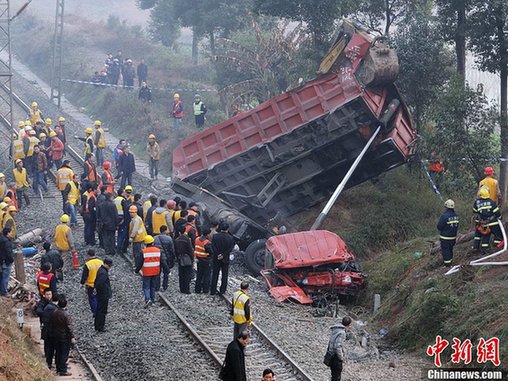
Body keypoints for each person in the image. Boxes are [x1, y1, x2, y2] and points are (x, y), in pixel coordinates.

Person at [46, 297, 76, 376]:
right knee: (64, 353)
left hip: (55, 336)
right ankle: (63, 369)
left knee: (58, 352)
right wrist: (72, 337)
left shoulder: (54, 312)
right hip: (64, 337)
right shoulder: (66, 314)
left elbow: (51, 324)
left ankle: (58, 368)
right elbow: (69, 327)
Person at [135, 235, 165, 307]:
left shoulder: (143, 252)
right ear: (153, 242)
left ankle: (147, 299)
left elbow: (140, 263)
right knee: (153, 286)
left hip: (147, 272)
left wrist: (136, 270)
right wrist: (167, 270)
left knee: (146, 287)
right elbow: (162, 261)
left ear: (145, 243)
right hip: (155, 271)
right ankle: (153, 300)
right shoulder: (158, 251)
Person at [210, 222, 235, 295]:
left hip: (216, 258)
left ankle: (213, 290)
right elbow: (230, 248)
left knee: (215, 274)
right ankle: (222, 290)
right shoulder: (230, 238)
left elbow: (213, 246)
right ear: (228, 229)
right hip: (225, 259)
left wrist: (218, 254)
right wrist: (223, 255)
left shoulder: (215, 236)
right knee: (224, 275)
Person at [325, 316, 352, 381]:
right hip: (335, 357)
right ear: (348, 324)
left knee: (333, 375)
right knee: (337, 377)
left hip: (330, 354)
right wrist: (341, 357)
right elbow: (337, 346)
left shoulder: (335, 329)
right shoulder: (342, 333)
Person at [80, 249, 103, 317]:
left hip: (91, 284)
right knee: (99, 297)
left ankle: (95, 312)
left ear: (88, 255)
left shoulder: (88, 264)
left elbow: (85, 275)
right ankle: (100, 310)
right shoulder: (101, 262)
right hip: (100, 283)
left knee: (92, 298)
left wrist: (82, 283)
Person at [437, 199, 459, 266]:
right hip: (453, 237)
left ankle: (447, 265)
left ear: (446, 207)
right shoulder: (456, 216)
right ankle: (450, 262)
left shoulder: (444, 216)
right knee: (450, 249)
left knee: (446, 251)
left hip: (445, 237)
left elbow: (439, 226)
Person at [153, 225, 174, 291]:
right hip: (165, 257)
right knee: (165, 272)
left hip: (157, 257)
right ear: (165, 230)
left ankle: (157, 286)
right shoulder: (169, 238)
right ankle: (165, 286)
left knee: (157, 272)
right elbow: (171, 249)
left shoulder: (155, 238)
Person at [41, 293, 59, 369]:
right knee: (55, 348)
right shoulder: (55, 309)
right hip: (53, 332)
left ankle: (49, 363)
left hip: (46, 330)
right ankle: (58, 366)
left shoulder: (47, 307)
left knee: (49, 348)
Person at [94, 258, 113, 332]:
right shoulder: (103, 273)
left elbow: (97, 282)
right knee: (102, 311)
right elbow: (99, 284)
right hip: (103, 294)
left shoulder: (101, 270)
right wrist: (103, 291)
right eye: (109, 266)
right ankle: (100, 326)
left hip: (101, 294)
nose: (110, 267)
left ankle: (97, 325)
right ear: (105, 264)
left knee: (99, 309)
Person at [174, 225, 194, 294]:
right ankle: (187, 289)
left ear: (179, 232)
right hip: (187, 258)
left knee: (181, 274)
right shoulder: (187, 239)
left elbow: (175, 250)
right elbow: (190, 250)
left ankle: (181, 288)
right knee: (187, 274)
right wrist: (192, 259)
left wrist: (177, 257)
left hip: (180, 258)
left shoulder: (176, 240)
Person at [97, 192, 118, 257]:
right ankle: (112, 250)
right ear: (110, 197)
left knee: (105, 237)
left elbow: (98, 215)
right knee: (112, 237)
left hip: (103, 224)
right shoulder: (113, 205)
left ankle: (107, 251)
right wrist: (117, 224)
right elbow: (115, 215)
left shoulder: (101, 205)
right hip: (112, 224)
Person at [194, 228, 213, 294]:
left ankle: (197, 289)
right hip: (206, 260)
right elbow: (211, 252)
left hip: (198, 259)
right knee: (206, 275)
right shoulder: (207, 242)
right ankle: (205, 290)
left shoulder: (196, 239)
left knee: (199, 275)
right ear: (207, 234)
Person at [0, 227, 14, 296]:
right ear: (8, 233)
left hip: (1, 261)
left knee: (1, 276)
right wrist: (12, 260)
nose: (12, 233)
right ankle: (4, 292)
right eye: (11, 232)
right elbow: (8, 253)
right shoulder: (7, 242)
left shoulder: (1, 239)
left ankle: (1, 290)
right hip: (6, 261)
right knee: (5, 277)